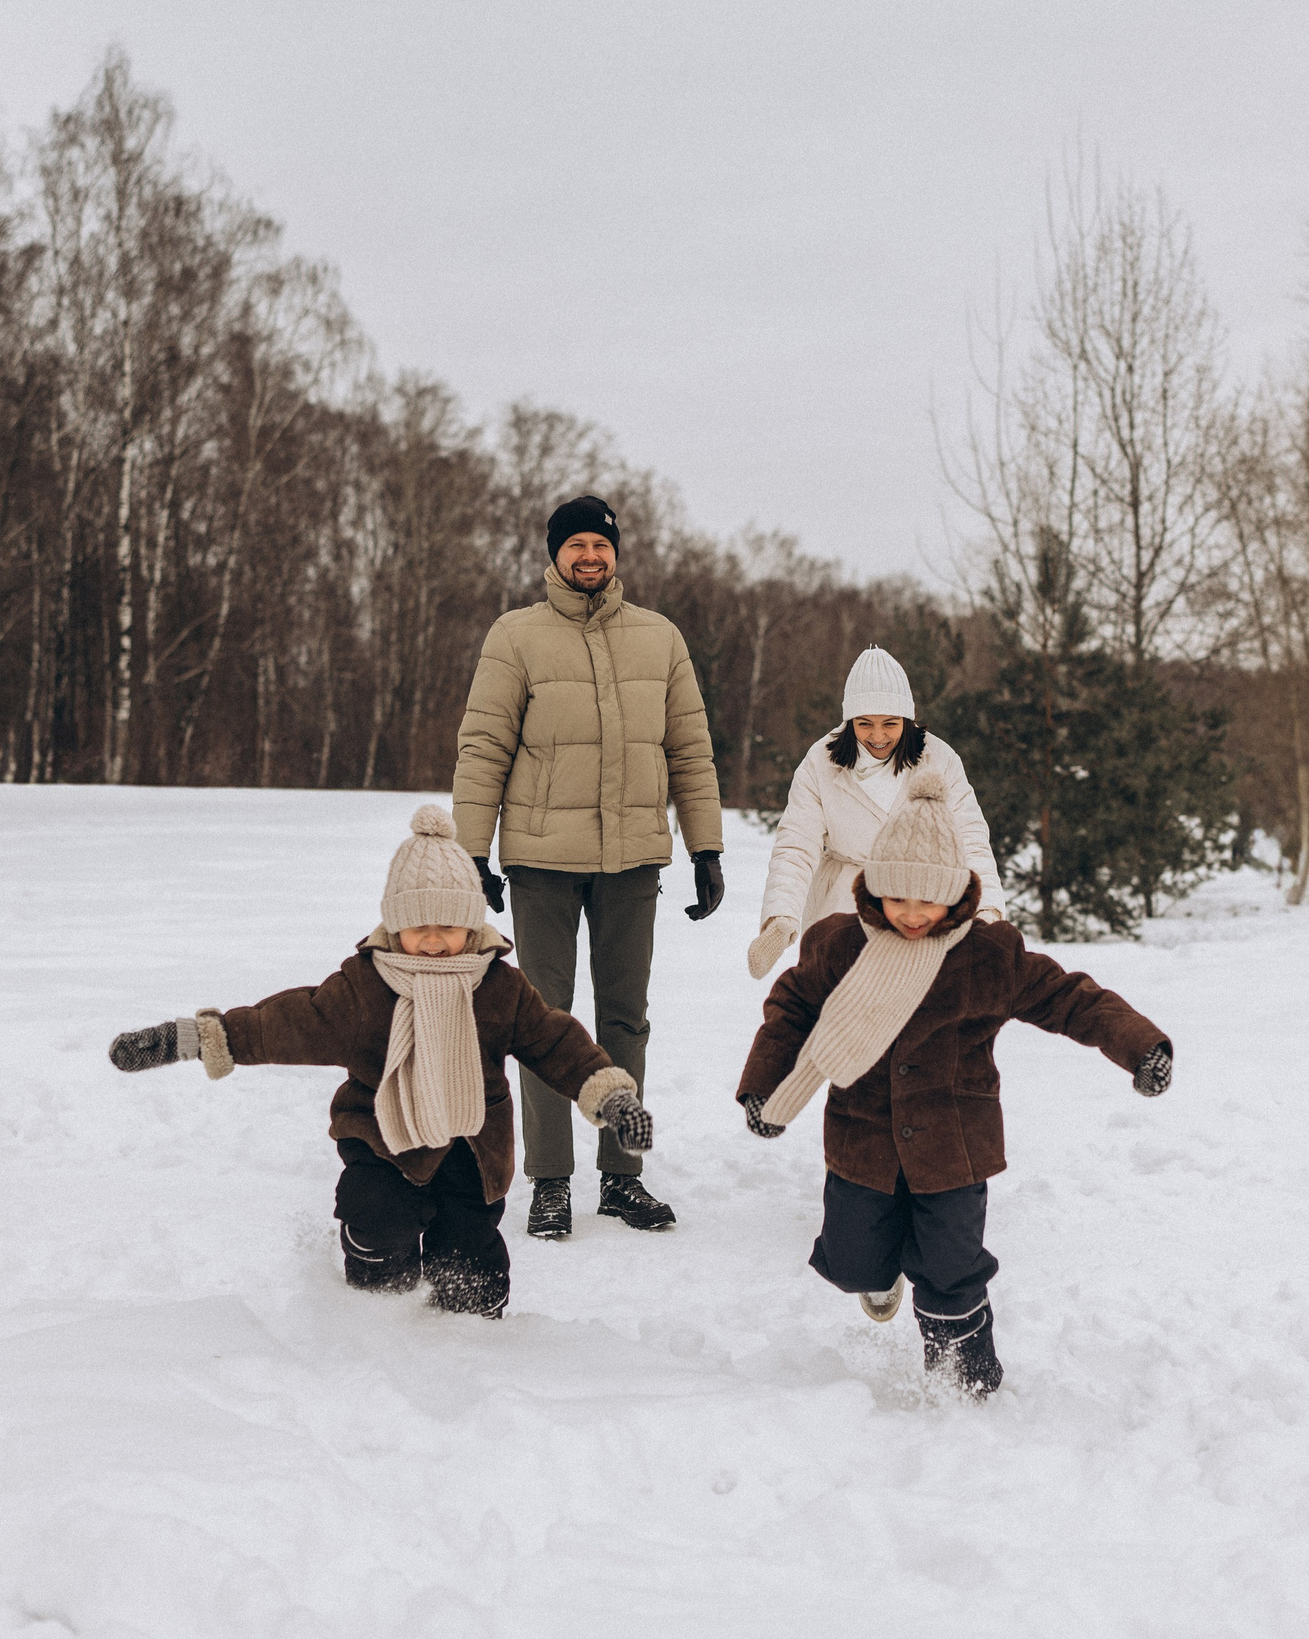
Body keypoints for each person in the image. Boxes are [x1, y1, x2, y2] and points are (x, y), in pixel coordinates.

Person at [105, 804, 653, 1319]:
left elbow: (554, 1042)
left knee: (471, 1267)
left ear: (471, 925)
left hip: (472, 1147)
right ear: (394, 925)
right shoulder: (367, 986)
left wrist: (610, 1095)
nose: (433, 943)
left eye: (448, 927)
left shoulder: (498, 987)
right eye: (419, 928)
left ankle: (472, 1336)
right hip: (381, 1136)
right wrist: (193, 1039)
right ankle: (374, 1310)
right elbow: (288, 1023)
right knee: (378, 1221)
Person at [733, 768, 1173, 1396]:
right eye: (897, 898)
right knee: (854, 1261)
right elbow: (792, 1008)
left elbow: (1071, 998)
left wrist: (1140, 1047)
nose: (912, 915)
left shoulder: (987, 955)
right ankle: (883, 1274)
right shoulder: (839, 944)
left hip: (954, 1146)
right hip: (863, 1141)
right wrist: (764, 1087)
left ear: (957, 894)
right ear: (874, 887)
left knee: (951, 1271)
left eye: (928, 900)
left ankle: (968, 1384)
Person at [453, 494, 725, 1241]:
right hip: (541, 859)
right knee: (544, 1021)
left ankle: (621, 1175)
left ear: (616, 554)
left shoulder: (660, 638)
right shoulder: (516, 636)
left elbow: (690, 750)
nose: (589, 556)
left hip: (632, 859)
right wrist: (471, 851)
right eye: (575, 545)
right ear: (554, 554)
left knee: (625, 1019)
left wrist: (705, 848)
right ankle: (549, 1180)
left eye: (600, 545)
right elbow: (483, 747)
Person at [748, 645, 1003, 981]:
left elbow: (969, 840)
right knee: (842, 1001)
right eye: (865, 723)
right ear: (850, 720)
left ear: (907, 721)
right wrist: (780, 917)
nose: (878, 735)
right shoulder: (820, 762)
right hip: (843, 906)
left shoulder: (939, 760)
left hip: (917, 905)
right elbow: (796, 845)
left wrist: (986, 911)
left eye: (890, 723)